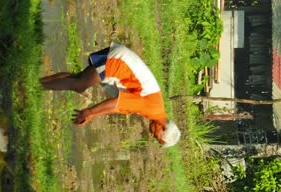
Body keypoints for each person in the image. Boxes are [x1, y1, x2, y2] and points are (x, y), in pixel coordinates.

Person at [40, 42, 181, 148]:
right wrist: (89, 112)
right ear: (163, 127)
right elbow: (117, 103)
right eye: (157, 137)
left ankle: (36, 84)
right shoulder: (151, 109)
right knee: (79, 84)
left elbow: (118, 107)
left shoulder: (155, 110)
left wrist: (92, 114)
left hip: (121, 59)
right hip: (119, 63)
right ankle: (36, 86)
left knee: (79, 80)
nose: (152, 135)